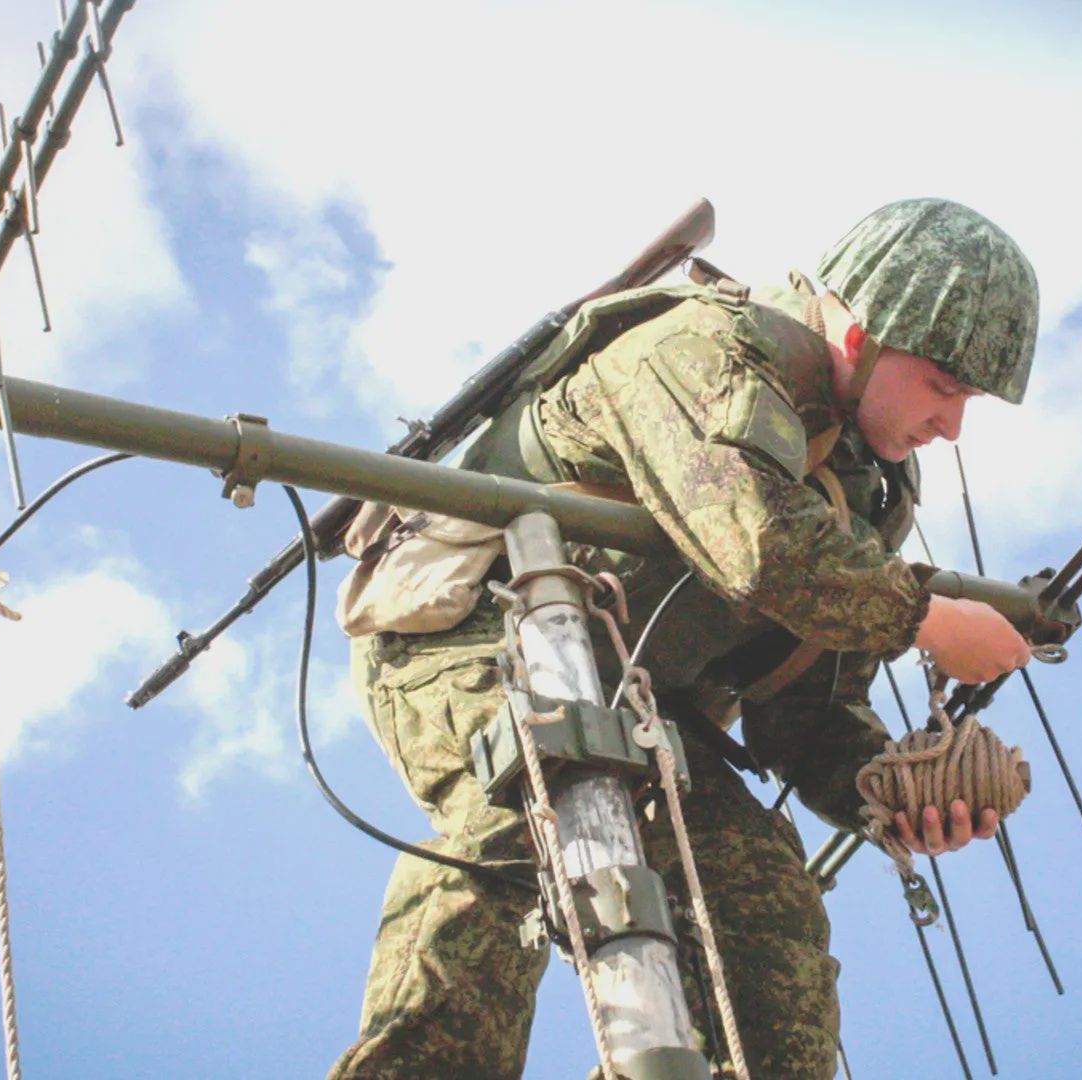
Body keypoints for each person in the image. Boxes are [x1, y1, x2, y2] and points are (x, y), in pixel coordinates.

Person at [329, 198, 1040, 1079]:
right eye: (944, 386)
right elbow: (759, 543)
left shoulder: (866, 492)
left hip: (637, 702)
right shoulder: (701, 350)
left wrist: (890, 789)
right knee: (528, 805)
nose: (953, 425)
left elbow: (802, 706)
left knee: (764, 907)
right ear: (863, 336)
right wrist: (922, 617)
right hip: (473, 635)